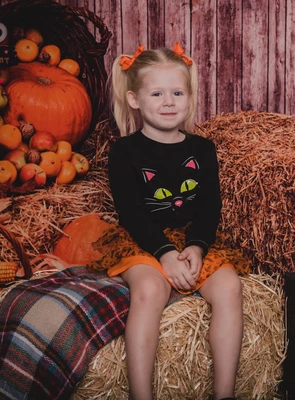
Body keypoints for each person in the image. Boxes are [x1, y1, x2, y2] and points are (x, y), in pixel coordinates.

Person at [94, 43, 250, 400]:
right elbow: (131, 213)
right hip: (143, 238)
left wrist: (196, 246)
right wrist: (164, 253)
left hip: (190, 237)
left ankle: (224, 393)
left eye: (177, 93)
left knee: (229, 287)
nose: (169, 102)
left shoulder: (202, 149)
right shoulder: (124, 152)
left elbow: (209, 208)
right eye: (158, 93)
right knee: (150, 290)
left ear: (189, 96)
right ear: (134, 99)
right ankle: (141, 395)